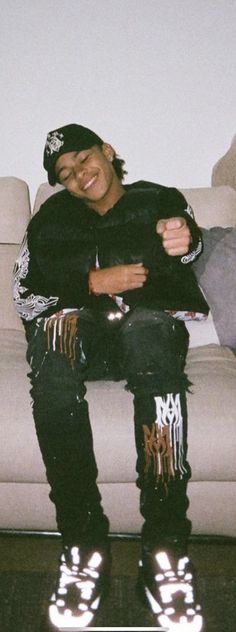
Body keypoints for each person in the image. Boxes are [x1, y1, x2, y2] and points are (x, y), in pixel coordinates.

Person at [13, 123, 208, 632]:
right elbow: (24, 295)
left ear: (108, 151)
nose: (79, 175)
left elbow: (186, 244)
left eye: (83, 159)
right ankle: (82, 544)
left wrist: (186, 240)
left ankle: (164, 550)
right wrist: (90, 282)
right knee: (53, 339)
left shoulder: (156, 198)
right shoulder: (49, 219)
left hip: (148, 334)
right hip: (85, 336)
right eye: (65, 173)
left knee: (149, 332)